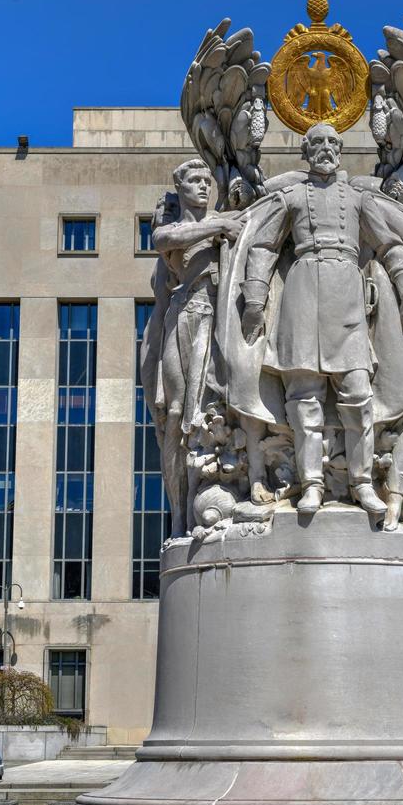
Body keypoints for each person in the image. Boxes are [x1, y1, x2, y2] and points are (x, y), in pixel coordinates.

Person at [239, 123, 403, 515]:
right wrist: (255, 297)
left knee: (358, 394)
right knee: (303, 395)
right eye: (317, 143)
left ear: (340, 149)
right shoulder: (290, 196)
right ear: (305, 153)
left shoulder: (359, 197)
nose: (326, 149)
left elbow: (389, 245)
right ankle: (311, 483)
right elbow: (263, 246)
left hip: (347, 292)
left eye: (332, 142)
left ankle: (361, 482)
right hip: (303, 290)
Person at [147, 158, 241, 536]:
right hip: (184, 316)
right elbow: (166, 241)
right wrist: (219, 224)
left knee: (207, 413)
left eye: (207, 180)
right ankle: (178, 514)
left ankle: (199, 502)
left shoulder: (225, 221)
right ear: (180, 186)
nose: (203, 186)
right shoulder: (173, 230)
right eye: (195, 181)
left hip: (217, 319)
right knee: (175, 414)